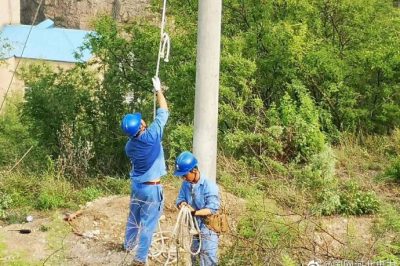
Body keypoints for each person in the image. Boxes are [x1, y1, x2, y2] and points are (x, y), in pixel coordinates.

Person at [121, 77, 168, 265]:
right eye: (140, 121)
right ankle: (140, 259)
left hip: (137, 187)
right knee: (148, 224)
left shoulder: (129, 147)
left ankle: (128, 244)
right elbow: (163, 111)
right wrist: (159, 91)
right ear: (140, 126)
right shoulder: (152, 136)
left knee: (134, 218)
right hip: (151, 189)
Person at [174, 151, 220, 266]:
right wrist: (182, 204)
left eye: (185, 175)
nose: (183, 178)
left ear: (194, 171)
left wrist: (194, 212)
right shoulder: (186, 184)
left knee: (208, 259)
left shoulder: (209, 186)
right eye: (182, 176)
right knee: (195, 256)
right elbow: (180, 199)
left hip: (208, 228)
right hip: (193, 227)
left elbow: (212, 209)